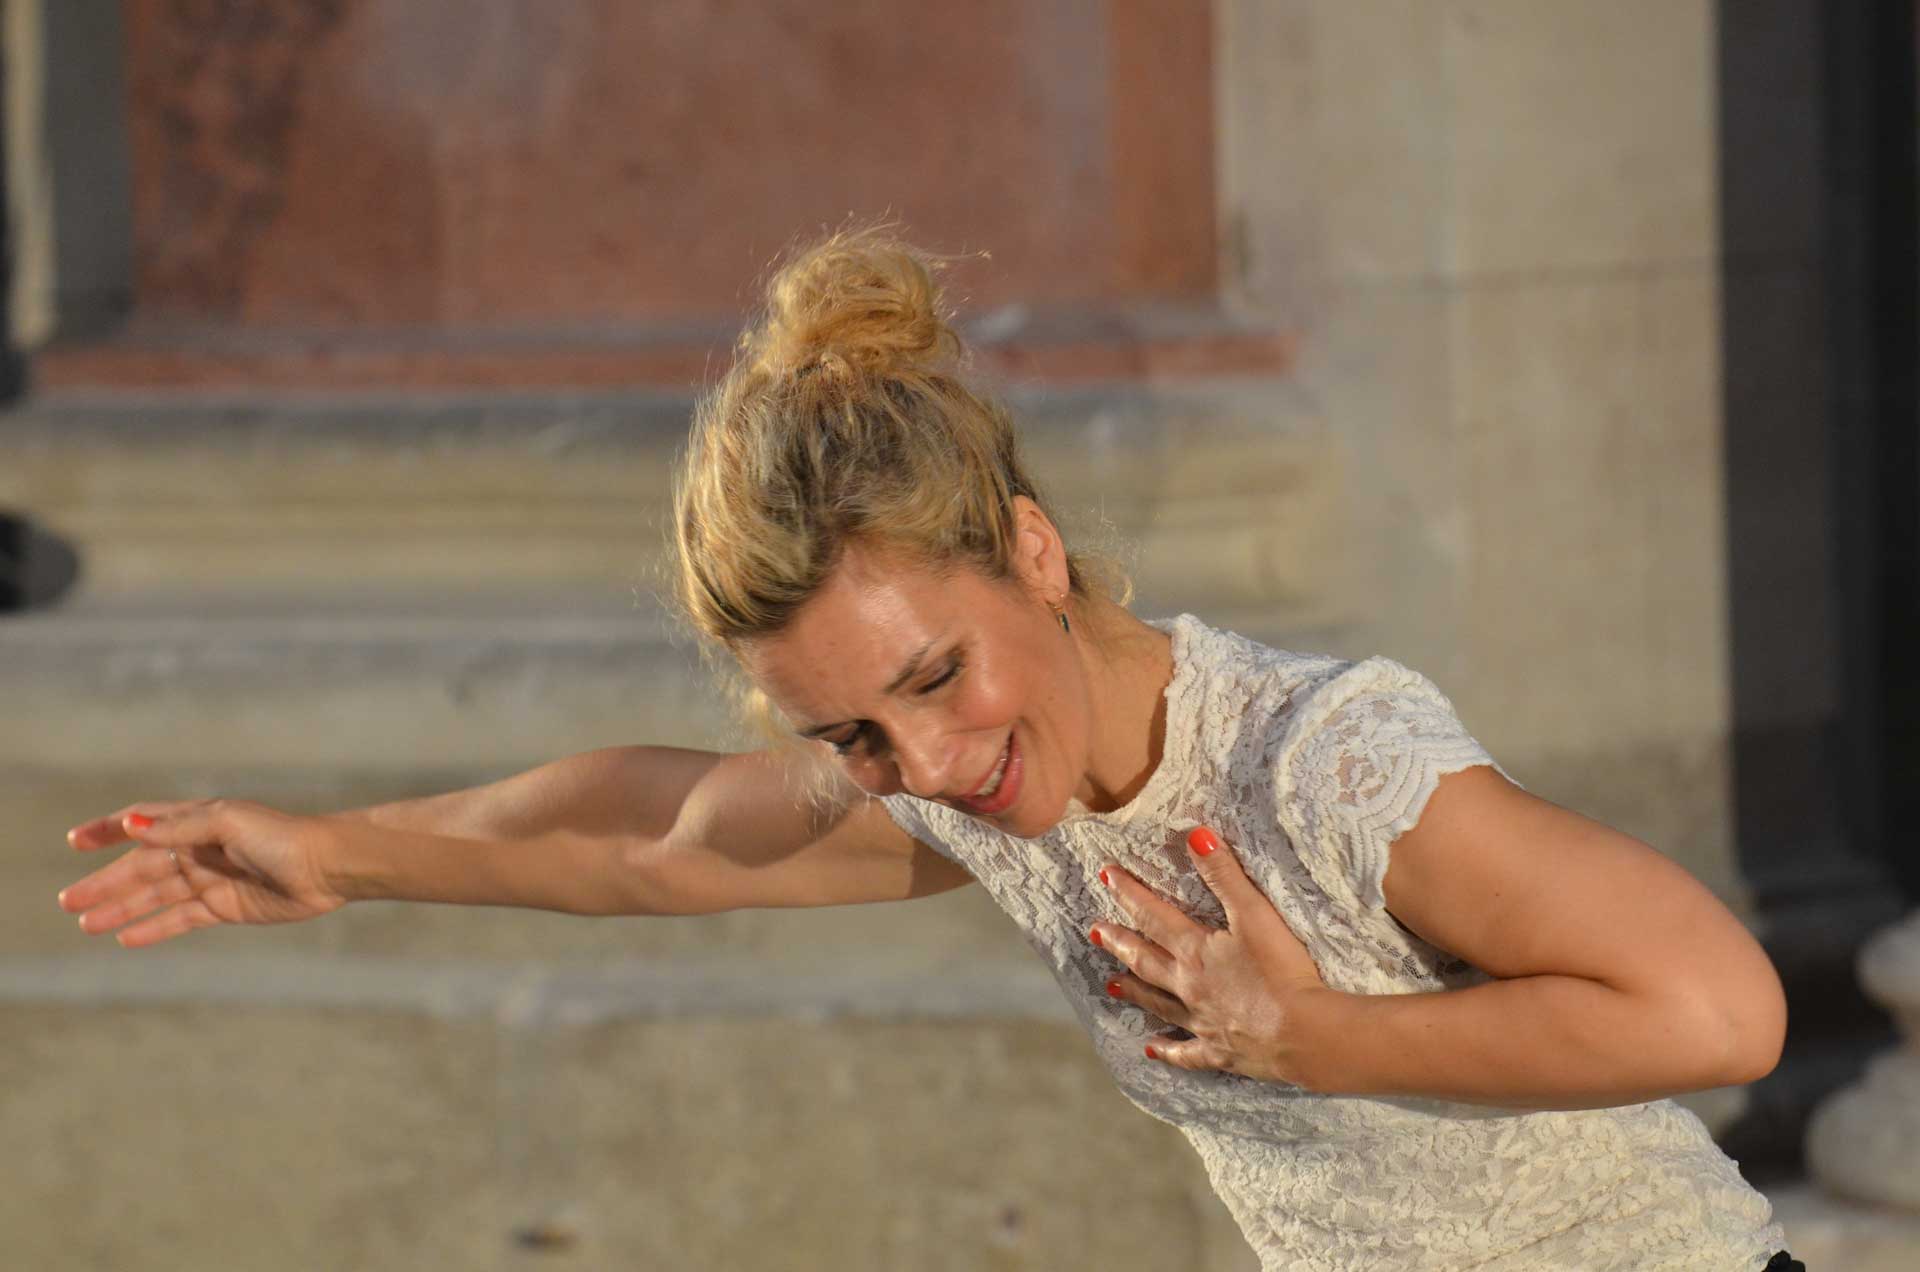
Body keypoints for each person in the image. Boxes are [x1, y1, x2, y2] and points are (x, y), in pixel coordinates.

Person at [57, 227, 1803, 1271]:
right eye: (853, 734)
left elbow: (1721, 1011)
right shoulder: (983, 798)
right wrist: (332, 854)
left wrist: (1314, 1034)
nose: (930, 758)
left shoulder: (1318, 761)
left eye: (940, 675)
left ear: (1033, 553)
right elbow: (666, 829)